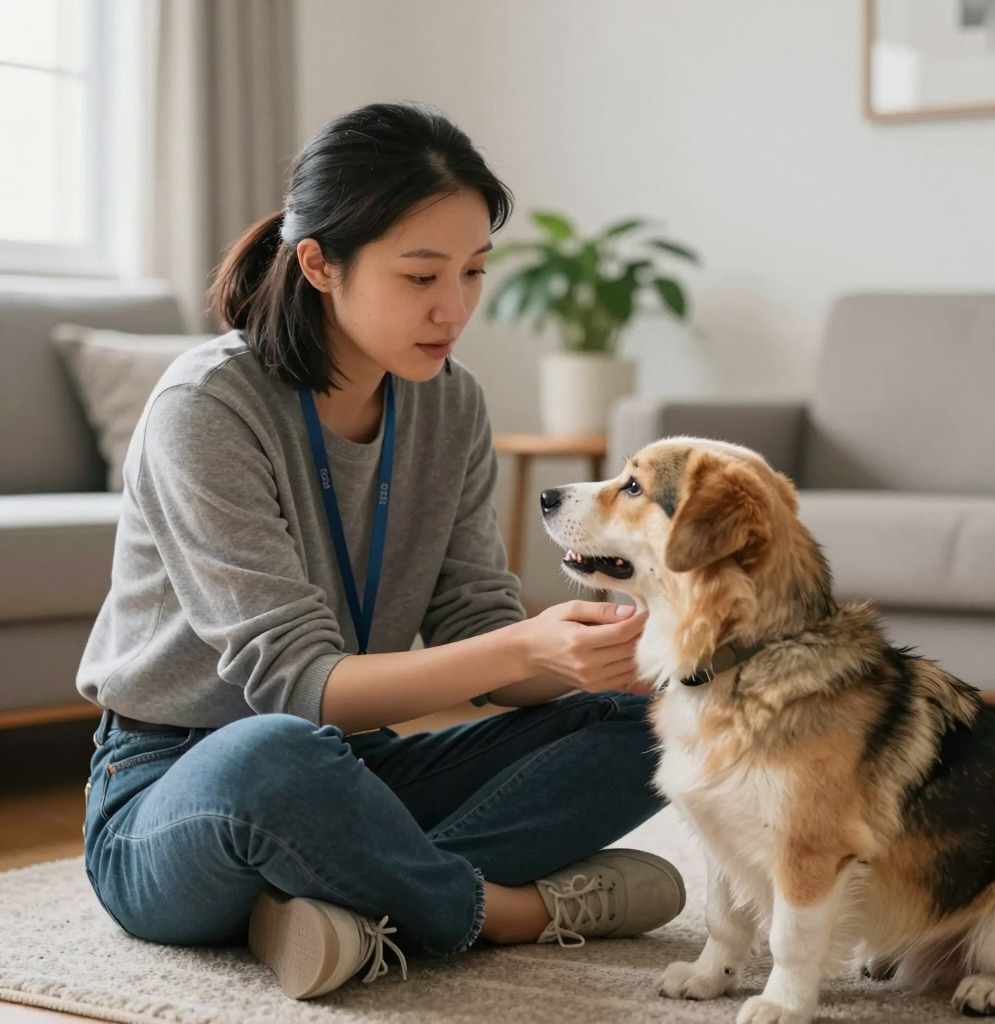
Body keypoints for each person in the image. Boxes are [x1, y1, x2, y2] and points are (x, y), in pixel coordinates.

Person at [80, 101, 683, 1001]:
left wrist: (605, 656)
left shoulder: (451, 404)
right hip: (175, 793)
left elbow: (477, 631)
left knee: (655, 721)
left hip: (346, 770)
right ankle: (502, 910)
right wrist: (526, 645)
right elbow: (293, 686)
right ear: (320, 263)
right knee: (273, 754)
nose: (455, 307)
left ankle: (344, 902)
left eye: (475, 271)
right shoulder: (206, 406)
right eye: (420, 275)